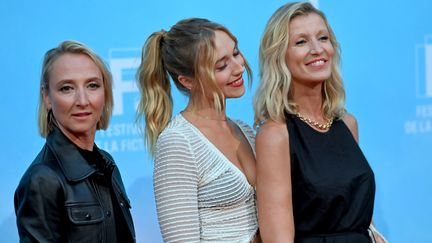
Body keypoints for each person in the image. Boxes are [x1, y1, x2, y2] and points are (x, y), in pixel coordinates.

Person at [254, 2, 387, 243]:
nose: (317, 49)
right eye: (301, 42)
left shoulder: (347, 124)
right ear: (279, 56)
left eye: (323, 38)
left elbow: (350, 205)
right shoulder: (276, 135)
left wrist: (375, 233)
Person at [136, 18, 260, 242]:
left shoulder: (245, 130)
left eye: (236, 53)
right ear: (187, 81)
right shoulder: (178, 142)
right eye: (221, 65)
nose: (239, 67)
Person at [14, 40, 135, 242]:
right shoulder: (42, 180)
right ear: (47, 97)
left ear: (105, 92)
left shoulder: (107, 164)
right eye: (67, 88)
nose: (82, 100)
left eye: (93, 85)